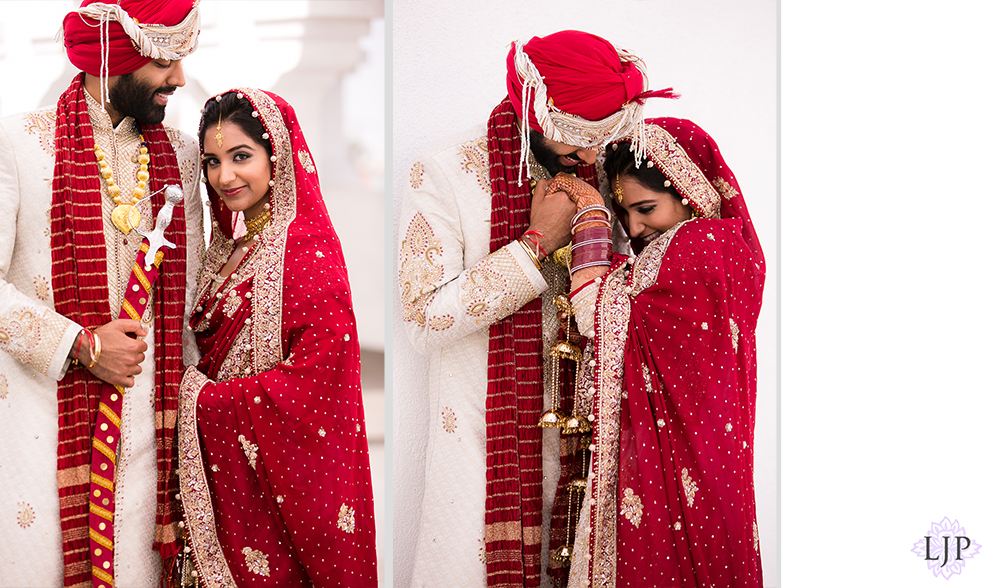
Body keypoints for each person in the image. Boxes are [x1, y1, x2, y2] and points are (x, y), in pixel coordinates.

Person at [397, 30, 675, 588]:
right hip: (485, 449)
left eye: (602, 139)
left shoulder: (607, 174)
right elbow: (424, 320)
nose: (591, 157)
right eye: (577, 141)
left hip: (590, 450)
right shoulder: (447, 172)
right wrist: (535, 244)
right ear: (534, 110)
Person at [0, 1, 202, 586]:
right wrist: (82, 345)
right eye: (165, 60)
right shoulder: (19, 143)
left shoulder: (183, 155)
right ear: (115, 54)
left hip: (151, 444)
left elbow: (188, 301)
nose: (179, 78)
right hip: (42, 432)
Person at [177, 88, 377, 587]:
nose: (224, 176)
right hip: (221, 484)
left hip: (278, 493)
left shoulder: (306, 251)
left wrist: (197, 398)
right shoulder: (227, 251)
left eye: (241, 156)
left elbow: (317, 384)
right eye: (212, 162)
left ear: (277, 155)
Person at [556, 118, 765, 587]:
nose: (634, 227)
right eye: (623, 213)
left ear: (688, 191)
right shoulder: (729, 247)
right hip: (711, 466)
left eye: (646, 208)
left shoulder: (699, 244)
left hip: (681, 468)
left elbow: (597, 309)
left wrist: (590, 216)